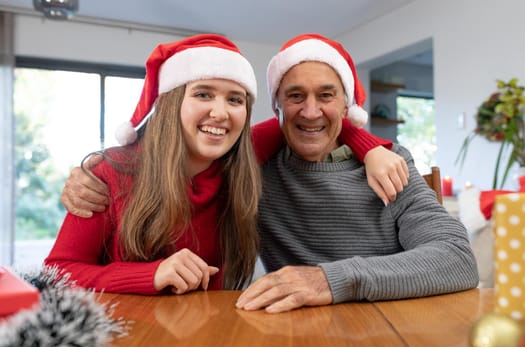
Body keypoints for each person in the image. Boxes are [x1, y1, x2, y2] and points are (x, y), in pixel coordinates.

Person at [234, 34, 478, 313]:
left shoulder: (392, 162)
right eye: (295, 96)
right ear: (277, 104)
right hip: (296, 330)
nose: (311, 112)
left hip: (390, 324)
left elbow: (457, 258)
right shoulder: (255, 172)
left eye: (326, 95)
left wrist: (330, 280)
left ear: (345, 105)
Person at [45, 34, 264, 294]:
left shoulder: (240, 168)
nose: (220, 113)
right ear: (171, 105)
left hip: (208, 329)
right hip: (125, 330)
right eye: (203, 94)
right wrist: (151, 275)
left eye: (235, 99)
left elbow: (306, 124)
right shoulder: (112, 172)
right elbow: (56, 273)